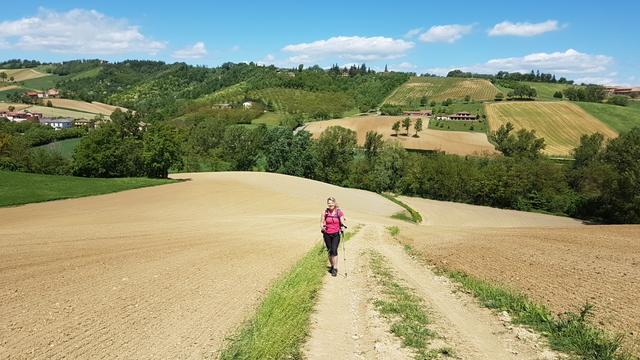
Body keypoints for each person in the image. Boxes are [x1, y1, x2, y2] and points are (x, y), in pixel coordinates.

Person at [321, 197, 346, 277]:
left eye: (331, 203)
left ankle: (335, 268)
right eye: (329, 203)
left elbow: (342, 222)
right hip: (327, 234)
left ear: (334, 203)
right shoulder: (325, 212)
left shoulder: (339, 212)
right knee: (329, 251)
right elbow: (321, 222)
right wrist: (322, 227)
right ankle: (332, 266)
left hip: (335, 234)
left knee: (334, 250)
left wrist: (342, 226)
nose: (330, 204)